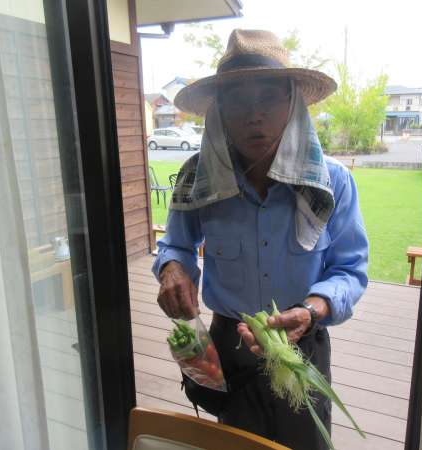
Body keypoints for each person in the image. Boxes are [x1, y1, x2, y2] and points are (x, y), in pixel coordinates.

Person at [152, 29, 368, 450]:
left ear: (292, 103)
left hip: (301, 343)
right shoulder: (197, 177)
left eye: (268, 97)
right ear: (220, 111)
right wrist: (173, 268)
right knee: (234, 443)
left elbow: (350, 270)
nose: (254, 115)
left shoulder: (332, 182)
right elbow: (175, 244)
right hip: (229, 347)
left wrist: (311, 309)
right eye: (237, 100)